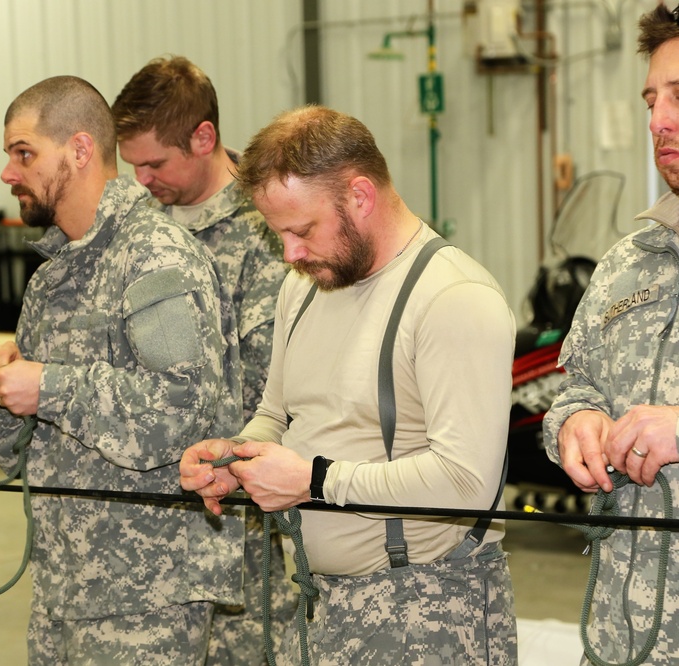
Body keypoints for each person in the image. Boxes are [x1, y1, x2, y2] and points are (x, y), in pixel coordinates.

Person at [180, 106, 517, 665]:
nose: (290, 254)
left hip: (427, 611)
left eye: (301, 230)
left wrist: (313, 480)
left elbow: (466, 483)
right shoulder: (306, 286)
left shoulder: (453, 298)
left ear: (360, 196)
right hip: (317, 604)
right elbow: (278, 416)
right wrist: (234, 456)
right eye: (279, 234)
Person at [0, 75, 244, 665]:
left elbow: (181, 409)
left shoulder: (155, 256)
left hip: (146, 595)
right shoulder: (52, 277)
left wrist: (48, 385)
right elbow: (15, 451)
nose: (8, 174)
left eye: (24, 154)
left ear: (80, 150)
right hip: (63, 585)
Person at [112, 55, 293, 666]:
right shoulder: (130, 236)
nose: (140, 180)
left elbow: (285, 386)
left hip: (243, 537)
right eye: (131, 164)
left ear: (204, 137)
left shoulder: (272, 229)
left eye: (155, 163)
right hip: (142, 542)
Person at [543, 6, 679, 664]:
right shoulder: (627, 261)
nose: (656, 120)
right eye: (650, 99)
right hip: (620, 641)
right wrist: (576, 423)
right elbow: (570, 390)